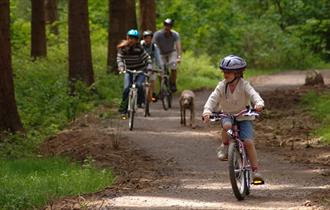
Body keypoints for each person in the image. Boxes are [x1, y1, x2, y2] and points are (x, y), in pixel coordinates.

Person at [202, 55, 265, 183]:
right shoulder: (221, 86)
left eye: (229, 72)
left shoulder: (244, 85)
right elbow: (212, 98)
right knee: (226, 127)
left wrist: (259, 103)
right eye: (224, 72)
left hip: (244, 116)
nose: (226, 74)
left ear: (237, 73)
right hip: (228, 115)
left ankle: (255, 171)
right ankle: (225, 146)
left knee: (248, 142)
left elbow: (254, 94)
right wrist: (207, 110)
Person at [117, 29, 152, 119]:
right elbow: (119, 59)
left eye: (134, 38)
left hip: (140, 70)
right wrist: (121, 67)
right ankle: (123, 110)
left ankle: (140, 102)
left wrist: (149, 66)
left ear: (137, 40)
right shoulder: (123, 48)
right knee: (126, 89)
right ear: (127, 38)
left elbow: (147, 58)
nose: (131, 40)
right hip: (128, 71)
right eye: (130, 38)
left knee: (139, 85)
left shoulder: (139, 48)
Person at [152, 18, 182, 92]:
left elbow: (178, 46)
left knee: (173, 65)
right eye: (166, 25)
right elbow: (153, 45)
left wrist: (179, 57)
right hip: (161, 53)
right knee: (160, 69)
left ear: (171, 27)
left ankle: (173, 83)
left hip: (171, 52)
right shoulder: (158, 34)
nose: (167, 27)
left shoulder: (175, 34)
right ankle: (163, 85)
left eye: (169, 26)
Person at [141, 30, 164, 103]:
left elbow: (158, 58)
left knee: (152, 79)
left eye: (149, 38)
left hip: (151, 63)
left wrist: (161, 67)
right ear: (143, 38)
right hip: (141, 63)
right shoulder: (140, 45)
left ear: (151, 38)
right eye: (146, 38)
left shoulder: (154, 46)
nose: (147, 40)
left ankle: (151, 94)